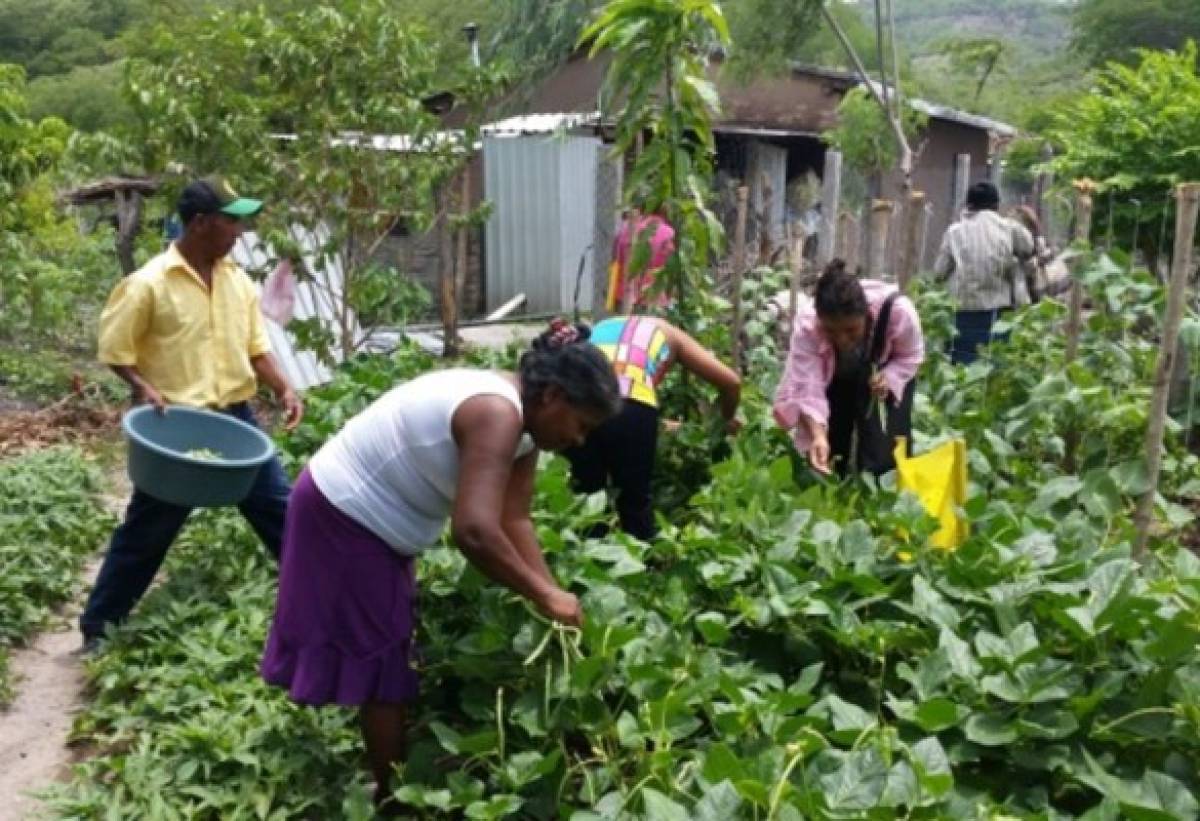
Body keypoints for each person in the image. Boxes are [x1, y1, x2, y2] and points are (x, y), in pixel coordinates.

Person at [260, 324, 621, 811]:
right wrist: (543, 596)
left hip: (369, 518)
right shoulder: (497, 413)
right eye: (581, 424)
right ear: (554, 395)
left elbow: (513, 518)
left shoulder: (525, 423)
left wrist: (552, 594)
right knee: (384, 659)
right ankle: (393, 795)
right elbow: (472, 531)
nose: (578, 439)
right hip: (346, 514)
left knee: (388, 639)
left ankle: (393, 771)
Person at [79, 176, 303, 649]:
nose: (239, 231)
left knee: (283, 513)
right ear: (200, 224)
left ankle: (321, 606)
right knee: (149, 531)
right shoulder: (148, 285)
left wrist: (285, 387)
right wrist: (142, 386)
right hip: (177, 428)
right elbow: (115, 350)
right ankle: (99, 627)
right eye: (230, 221)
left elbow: (256, 348)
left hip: (235, 420)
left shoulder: (236, 280)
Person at [563, 315, 741, 540]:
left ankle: (585, 563)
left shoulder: (603, 326)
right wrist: (726, 420)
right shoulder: (672, 335)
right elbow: (731, 383)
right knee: (635, 503)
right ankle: (641, 567)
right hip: (633, 401)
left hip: (579, 402)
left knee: (586, 499)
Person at [773, 260, 925, 477]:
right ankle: (836, 484)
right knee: (829, 450)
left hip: (882, 372)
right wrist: (817, 435)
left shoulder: (898, 313)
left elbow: (911, 356)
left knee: (885, 454)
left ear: (866, 313)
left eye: (851, 330)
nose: (842, 340)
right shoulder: (808, 325)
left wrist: (889, 378)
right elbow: (808, 388)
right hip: (835, 374)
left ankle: (878, 494)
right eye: (831, 331)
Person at [933, 181, 1035, 364]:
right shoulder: (1009, 227)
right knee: (994, 364)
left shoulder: (954, 232)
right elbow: (1028, 247)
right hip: (998, 312)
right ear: (996, 205)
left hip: (963, 312)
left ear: (969, 205)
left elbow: (939, 272)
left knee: (961, 365)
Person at [609, 205, 676, 311]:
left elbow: (615, 262)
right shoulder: (668, 233)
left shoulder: (625, 229)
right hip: (654, 297)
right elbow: (670, 267)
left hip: (623, 296)